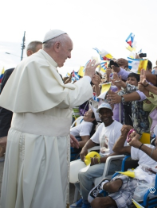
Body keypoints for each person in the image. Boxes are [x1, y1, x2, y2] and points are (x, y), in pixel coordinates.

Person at [0, 29, 99, 208]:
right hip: (38, 144)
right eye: (69, 50)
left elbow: (43, 108)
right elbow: (65, 98)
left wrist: (60, 130)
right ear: (57, 45)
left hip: (36, 138)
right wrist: (87, 78)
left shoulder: (34, 63)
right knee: (40, 196)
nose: (69, 56)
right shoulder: (40, 65)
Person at [90, 123, 157, 208]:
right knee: (113, 186)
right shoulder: (147, 146)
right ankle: (105, 184)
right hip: (133, 175)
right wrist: (124, 135)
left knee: (97, 203)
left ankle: (105, 186)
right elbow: (117, 149)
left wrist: (140, 145)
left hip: (146, 185)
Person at [74, 103, 123, 208]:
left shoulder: (119, 128)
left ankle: (86, 203)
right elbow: (92, 140)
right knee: (75, 172)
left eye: (106, 112)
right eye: (102, 113)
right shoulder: (101, 126)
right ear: (99, 115)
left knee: (83, 175)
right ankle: (85, 197)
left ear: (111, 113)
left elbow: (123, 151)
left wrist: (100, 160)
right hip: (101, 160)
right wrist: (84, 149)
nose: (104, 115)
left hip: (113, 162)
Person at [0, 40, 43, 160]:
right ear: (30, 53)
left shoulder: (50, 76)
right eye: (41, 52)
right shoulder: (12, 73)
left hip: (40, 135)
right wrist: (3, 133)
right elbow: (6, 105)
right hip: (18, 132)